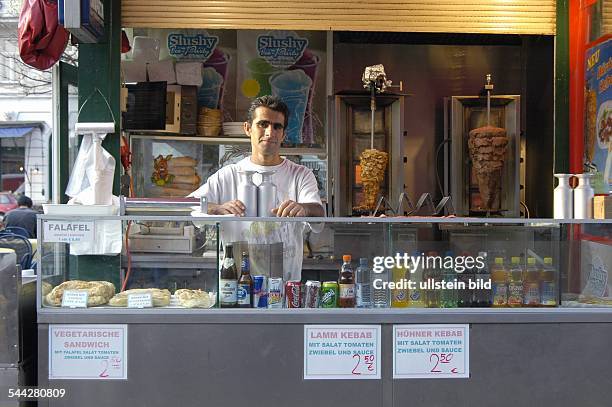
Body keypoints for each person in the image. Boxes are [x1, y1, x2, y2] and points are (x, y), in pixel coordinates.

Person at [190, 95, 325, 280]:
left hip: (284, 285)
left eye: (277, 126)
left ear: (283, 134)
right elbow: (189, 204)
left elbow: (318, 211)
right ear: (247, 128)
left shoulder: (300, 174)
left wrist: (303, 208)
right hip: (236, 286)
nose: (270, 132)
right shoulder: (228, 175)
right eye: (263, 124)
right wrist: (217, 208)